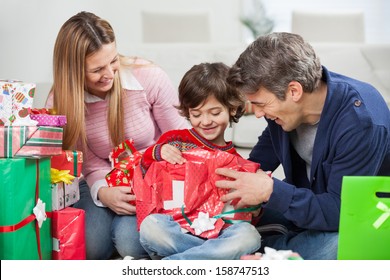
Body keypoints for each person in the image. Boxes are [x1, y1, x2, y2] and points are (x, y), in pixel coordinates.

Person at [215, 32, 390, 260]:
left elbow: (339, 211)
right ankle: (266, 247)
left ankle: (262, 251)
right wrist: (237, 178)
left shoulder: (360, 123)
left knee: (337, 246)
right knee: (224, 215)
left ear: (294, 91)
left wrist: (269, 190)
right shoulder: (282, 108)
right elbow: (264, 150)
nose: (257, 114)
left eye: (260, 104)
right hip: (310, 199)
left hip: (353, 214)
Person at [45, 11, 189, 259]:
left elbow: (180, 139)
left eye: (113, 61)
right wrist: (103, 193)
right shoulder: (63, 101)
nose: (110, 73)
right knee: (90, 247)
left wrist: (149, 181)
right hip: (102, 181)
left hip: (152, 179)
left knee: (130, 242)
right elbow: (87, 163)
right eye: (97, 69)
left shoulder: (149, 77)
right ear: (73, 71)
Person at [138, 62, 262, 260]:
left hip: (221, 233)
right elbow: (144, 172)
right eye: (196, 114)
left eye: (214, 113)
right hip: (178, 229)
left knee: (249, 236)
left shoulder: (237, 163)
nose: (205, 122)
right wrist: (156, 152)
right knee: (151, 226)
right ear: (188, 112)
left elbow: (247, 214)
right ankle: (214, 259)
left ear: (231, 109)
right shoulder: (174, 141)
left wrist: (255, 208)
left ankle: (176, 263)